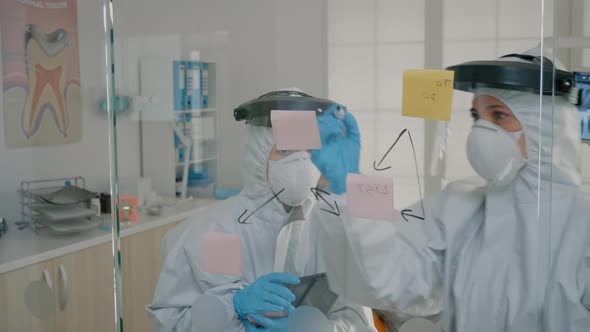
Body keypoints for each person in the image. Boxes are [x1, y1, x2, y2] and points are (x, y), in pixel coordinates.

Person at [312, 49, 590, 331]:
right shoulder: (460, 206)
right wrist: (349, 184)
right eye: (476, 116)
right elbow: (390, 276)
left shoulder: (582, 222)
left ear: (542, 126)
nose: (482, 130)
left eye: (498, 115)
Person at [146, 89, 374, 331]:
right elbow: (169, 322)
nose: (299, 163)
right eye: (284, 151)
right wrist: (231, 306)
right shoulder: (214, 232)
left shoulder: (330, 232)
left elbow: (357, 321)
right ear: (258, 156)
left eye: (307, 151)